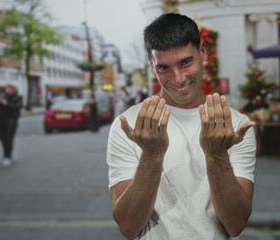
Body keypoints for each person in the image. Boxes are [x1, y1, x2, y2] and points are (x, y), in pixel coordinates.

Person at [107, 13, 256, 240]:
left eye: (186, 62)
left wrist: (217, 156)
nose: (177, 79)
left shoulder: (235, 125)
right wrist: (152, 155)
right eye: (164, 68)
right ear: (151, 64)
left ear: (203, 52)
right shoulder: (129, 126)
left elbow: (235, 225)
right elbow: (128, 227)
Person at [0, 85, 22, 167]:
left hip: (12, 121)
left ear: (14, 90)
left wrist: (6, 103)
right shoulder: (3, 96)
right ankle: (9, 151)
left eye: (10, 89)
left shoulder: (18, 98)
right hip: (2, 120)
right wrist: (0, 103)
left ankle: (7, 156)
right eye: (6, 89)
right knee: (1, 136)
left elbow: (17, 107)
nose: (8, 90)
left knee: (8, 138)